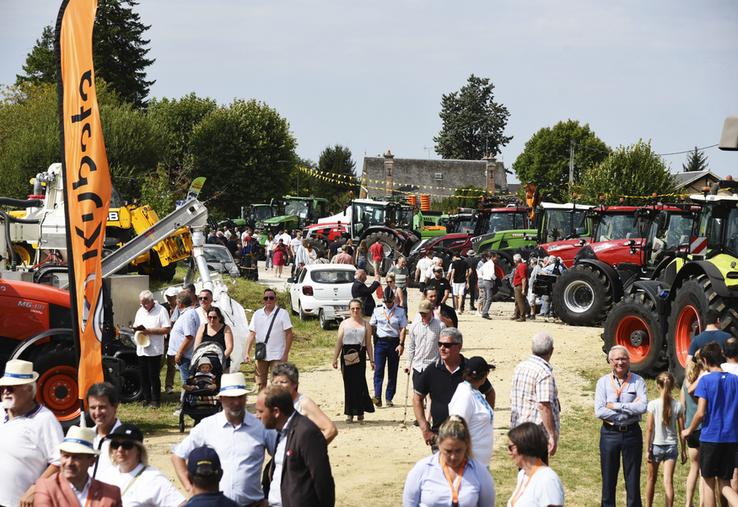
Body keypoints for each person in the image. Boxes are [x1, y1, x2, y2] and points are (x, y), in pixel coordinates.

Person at [172, 372, 277, 506]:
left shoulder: (260, 426)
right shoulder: (207, 426)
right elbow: (178, 456)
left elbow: (281, 458)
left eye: (240, 397)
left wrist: (274, 494)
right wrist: (190, 488)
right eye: (230, 398)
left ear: (246, 398)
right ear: (221, 399)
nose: (236, 402)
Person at [413, 328, 495, 450]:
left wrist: (483, 421)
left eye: (447, 345)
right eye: (439, 344)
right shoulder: (432, 370)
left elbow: (490, 392)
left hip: (467, 440)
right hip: (439, 437)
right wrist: (425, 428)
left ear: (459, 346)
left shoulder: (469, 369)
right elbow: (417, 398)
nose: (442, 348)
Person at [256, 385, 335, 507]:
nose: (257, 416)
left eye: (261, 411)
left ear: (276, 412)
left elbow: (323, 482)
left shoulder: (306, 433)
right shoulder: (281, 431)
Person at [0, 359, 63, 507]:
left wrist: (36, 488)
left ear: (29, 389)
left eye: (11, 388)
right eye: (3, 388)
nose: (5, 392)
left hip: (19, 503)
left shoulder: (45, 419)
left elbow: (60, 461)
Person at [682, 342, 738, 507]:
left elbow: (700, 412)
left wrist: (689, 430)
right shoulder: (735, 380)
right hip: (731, 439)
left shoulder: (706, 381)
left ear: (705, 360)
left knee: (707, 482)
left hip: (711, 438)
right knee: (725, 483)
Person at [595, 345, 648, 507]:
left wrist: (616, 406)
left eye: (623, 358)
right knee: (608, 479)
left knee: (632, 480)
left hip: (632, 434)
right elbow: (600, 411)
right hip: (609, 434)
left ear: (629, 360)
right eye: (616, 359)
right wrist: (631, 408)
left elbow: (643, 407)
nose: (620, 362)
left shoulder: (638, 381)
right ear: (610, 362)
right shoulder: (603, 382)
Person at [402, 416, 495, 507]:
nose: (453, 457)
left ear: (466, 445)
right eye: (448, 451)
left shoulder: (480, 472)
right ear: (439, 444)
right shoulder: (422, 469)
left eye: (458, 450)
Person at [97, 424, 184, 506]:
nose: (120, 449)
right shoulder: (107, 474)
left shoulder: (153, 478)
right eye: (115, 445)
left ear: (139, 449)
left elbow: (181, 504)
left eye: (127, 445)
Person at [34, 425, 122, 507]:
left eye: (76, 457)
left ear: (91, 461)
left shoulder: (111, 494)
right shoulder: (46, 487)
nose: (69, 463)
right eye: (66, 456)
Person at [510, 332, 561, 456]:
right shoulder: (544, 373)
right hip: (535, 435)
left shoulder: (520, 367)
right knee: (537, 472)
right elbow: (544, 406)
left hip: (519, 429)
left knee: (523, 471)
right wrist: (551, 435)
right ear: (551, 351)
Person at [332, 299, 376, 423]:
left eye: (357, 308)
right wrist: (334, 358)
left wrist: (372, 360)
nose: (355, 311)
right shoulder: (344, 324)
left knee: (360, 383)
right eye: (353, 309)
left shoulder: (366, 325)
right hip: (346, 354)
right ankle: (349, 413)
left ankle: (360, 411)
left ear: (361, 309)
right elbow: (339, 342)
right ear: (349, 310)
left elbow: (368, 344)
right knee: (348, 384)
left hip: (360, 355)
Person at [271, 362, 338, 441]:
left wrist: (311, 450)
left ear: (294, 384)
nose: (279, 385)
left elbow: (331, 430)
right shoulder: (273, 404)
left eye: (283, 382)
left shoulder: (304, 403)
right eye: (275, 382)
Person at [644, 371, 684, 507]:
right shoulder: (678, 405)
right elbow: (681, 430)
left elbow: (649, 428)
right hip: (672, 446)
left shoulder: (653, 405)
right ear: (672, 386)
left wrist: (647, 449)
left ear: (657, 386)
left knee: (651, 479)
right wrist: (683, 450)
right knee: (668, 482)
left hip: (656, 446)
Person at [448, 356, 495, 466]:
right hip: (469, 463)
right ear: (484, 375)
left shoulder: (473, 391)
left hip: (479, 463)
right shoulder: (465, 395)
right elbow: (456, 428)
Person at [245, 288, 294, 390]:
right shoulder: (257, 314)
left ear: (275, 299)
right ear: (263, 300)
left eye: (271, 298)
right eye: (266, 298)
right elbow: (251, 334)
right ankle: (262, 404)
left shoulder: (283, 313)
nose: (268, 300)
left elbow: (289, 334)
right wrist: (247, 352)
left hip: (277, 354)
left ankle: (276, 404)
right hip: (261, 353)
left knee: (277, 383)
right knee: (259, 383)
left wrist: (285, 353)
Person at [506, 422, 564, 507]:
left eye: (511, 448)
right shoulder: (523, 474)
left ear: (524, 447)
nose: (508, 452)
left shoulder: (548, 480)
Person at [133, 289, 171, 408]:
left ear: (151, 301)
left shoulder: (161, 310)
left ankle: (155, 400)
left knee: (153, 375)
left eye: (145, 303)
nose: (144, 305)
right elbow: (136, 324)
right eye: (142, 303)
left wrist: (149, 331)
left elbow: (166, 329)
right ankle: (146, 398)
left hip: (154, 348)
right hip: (141, 347)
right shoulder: (140, 311)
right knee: (143, 375)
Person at [370, 288, 408, 408]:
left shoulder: (400, 312)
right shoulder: (377, 310)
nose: (388, 304)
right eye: (386, 302)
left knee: (392, 371)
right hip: (381, 342)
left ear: (394, 300)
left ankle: (389, 397)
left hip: (394, 342)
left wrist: (401, 344)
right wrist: (373, 341)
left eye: (390, 301)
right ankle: (377, 396)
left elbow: (402, 328)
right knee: (378, 370)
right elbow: (372, 326)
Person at [680, 352, 704, 507]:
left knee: (693, 468)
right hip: (703, 428)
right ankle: (703, 503)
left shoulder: (684, 382)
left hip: (689, 428)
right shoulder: (703, 382)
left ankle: (688, 503)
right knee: (704, 472)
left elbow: (682, 409)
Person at [87, 382, 123, 478]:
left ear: (115, 407)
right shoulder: (85, 437)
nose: (97, 413)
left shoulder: (127, 441)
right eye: (93, 408)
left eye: (102, 407)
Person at [404, 300, 444, 383]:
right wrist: (408, 363)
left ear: (431, 311)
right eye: (421, 313)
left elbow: (443, 346)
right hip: (418, 367)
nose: (423, 315)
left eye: (425, 312)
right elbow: (411, 346)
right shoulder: (414, 326)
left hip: (433, 366)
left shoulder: (440, 326)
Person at [170, 290, 201, 385]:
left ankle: (189, 400)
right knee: (187, 382)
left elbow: (189, 336)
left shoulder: (188, 315)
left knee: (187, 383)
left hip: (185, 356)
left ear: (179, 303)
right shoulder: (188, 313)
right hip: (185, 356)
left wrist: (179, 353)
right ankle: (188, 399)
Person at [162, 286, 179, 394]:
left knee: (171, 364)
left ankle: (169, 385)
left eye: (171, 297)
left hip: (174, 340)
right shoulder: (163, 307)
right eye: (168, 297)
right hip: (163, 339)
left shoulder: (180, 308)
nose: (169, 299)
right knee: (159, 362)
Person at [460, 250, 479, 315]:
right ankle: (471, 305)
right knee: (472, 292)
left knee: (464, 292)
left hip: (466, 276)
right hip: (473, 276)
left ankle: (462, 306)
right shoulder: (476, 260)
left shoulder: (465, 261)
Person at [478, 253, 496, 320]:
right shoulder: (491, 264)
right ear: (492, 257)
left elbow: (480, 271)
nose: (496, 259)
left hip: (484, 281)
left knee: (485, 298)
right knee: (489, 298)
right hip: (488, 281)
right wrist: (496, 279)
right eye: (495, 257)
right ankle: (485, 313)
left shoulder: (485, 264)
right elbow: (492, 274)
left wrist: (482, 277)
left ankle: (484, 311)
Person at [511, 253, 528, 322]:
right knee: (517, 301)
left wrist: (523, 289)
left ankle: (522, 316)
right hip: (518, 285)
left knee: (520, 302)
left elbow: (523, 278)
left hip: (519, 286)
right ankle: (516, 314)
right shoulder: (521, 266)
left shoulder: (521, 266)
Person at [526, 255, 542, 320]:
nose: (530, 264)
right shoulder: (536, 268)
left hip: (533, 287)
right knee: (531, 301)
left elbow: (540, 274)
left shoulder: (537, 267)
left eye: (530, 263)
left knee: (532, 301)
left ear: (532, 263)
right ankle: (531, 314)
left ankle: (532, 315)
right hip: (531, 287)